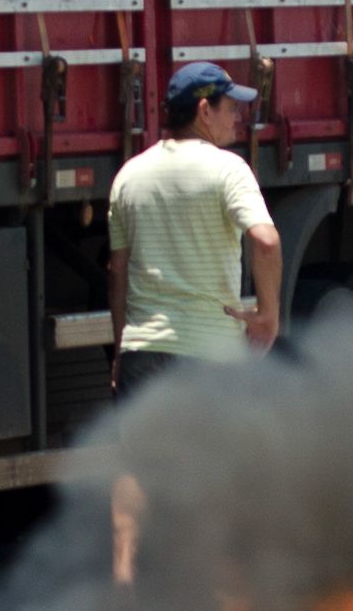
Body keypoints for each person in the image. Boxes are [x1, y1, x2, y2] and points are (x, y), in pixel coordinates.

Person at [102, 59, 283, 580]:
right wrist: (267, 317)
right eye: (231, 109)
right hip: (208, 349)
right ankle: (214, 584)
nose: (238, 121)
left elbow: (118, 269)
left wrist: (121, 347)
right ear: (204, 110)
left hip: (143, 346)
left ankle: (124, 571)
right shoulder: (228, 171)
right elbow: (266, 240)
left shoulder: (129, 176)